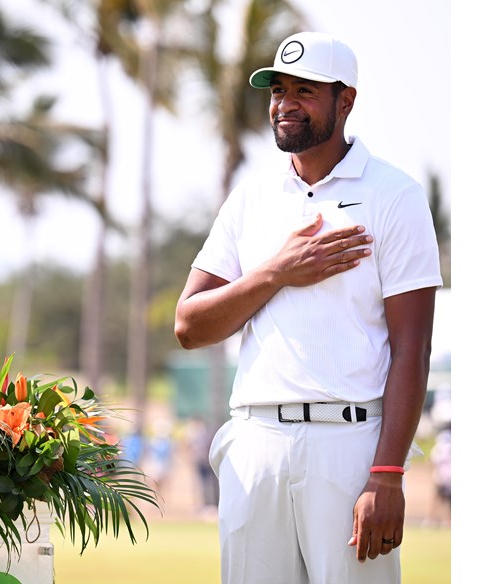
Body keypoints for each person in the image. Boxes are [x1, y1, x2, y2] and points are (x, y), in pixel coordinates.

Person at [174, 31, 442, 584]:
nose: (284, 104)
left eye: (305, 90)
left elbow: (412, 349)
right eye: (277, 90)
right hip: (256, 442)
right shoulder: (251, 196)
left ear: (346, 101)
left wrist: (387, 474)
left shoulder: (396, 195)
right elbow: (189, 325)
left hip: (349, 449)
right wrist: (276, 272)